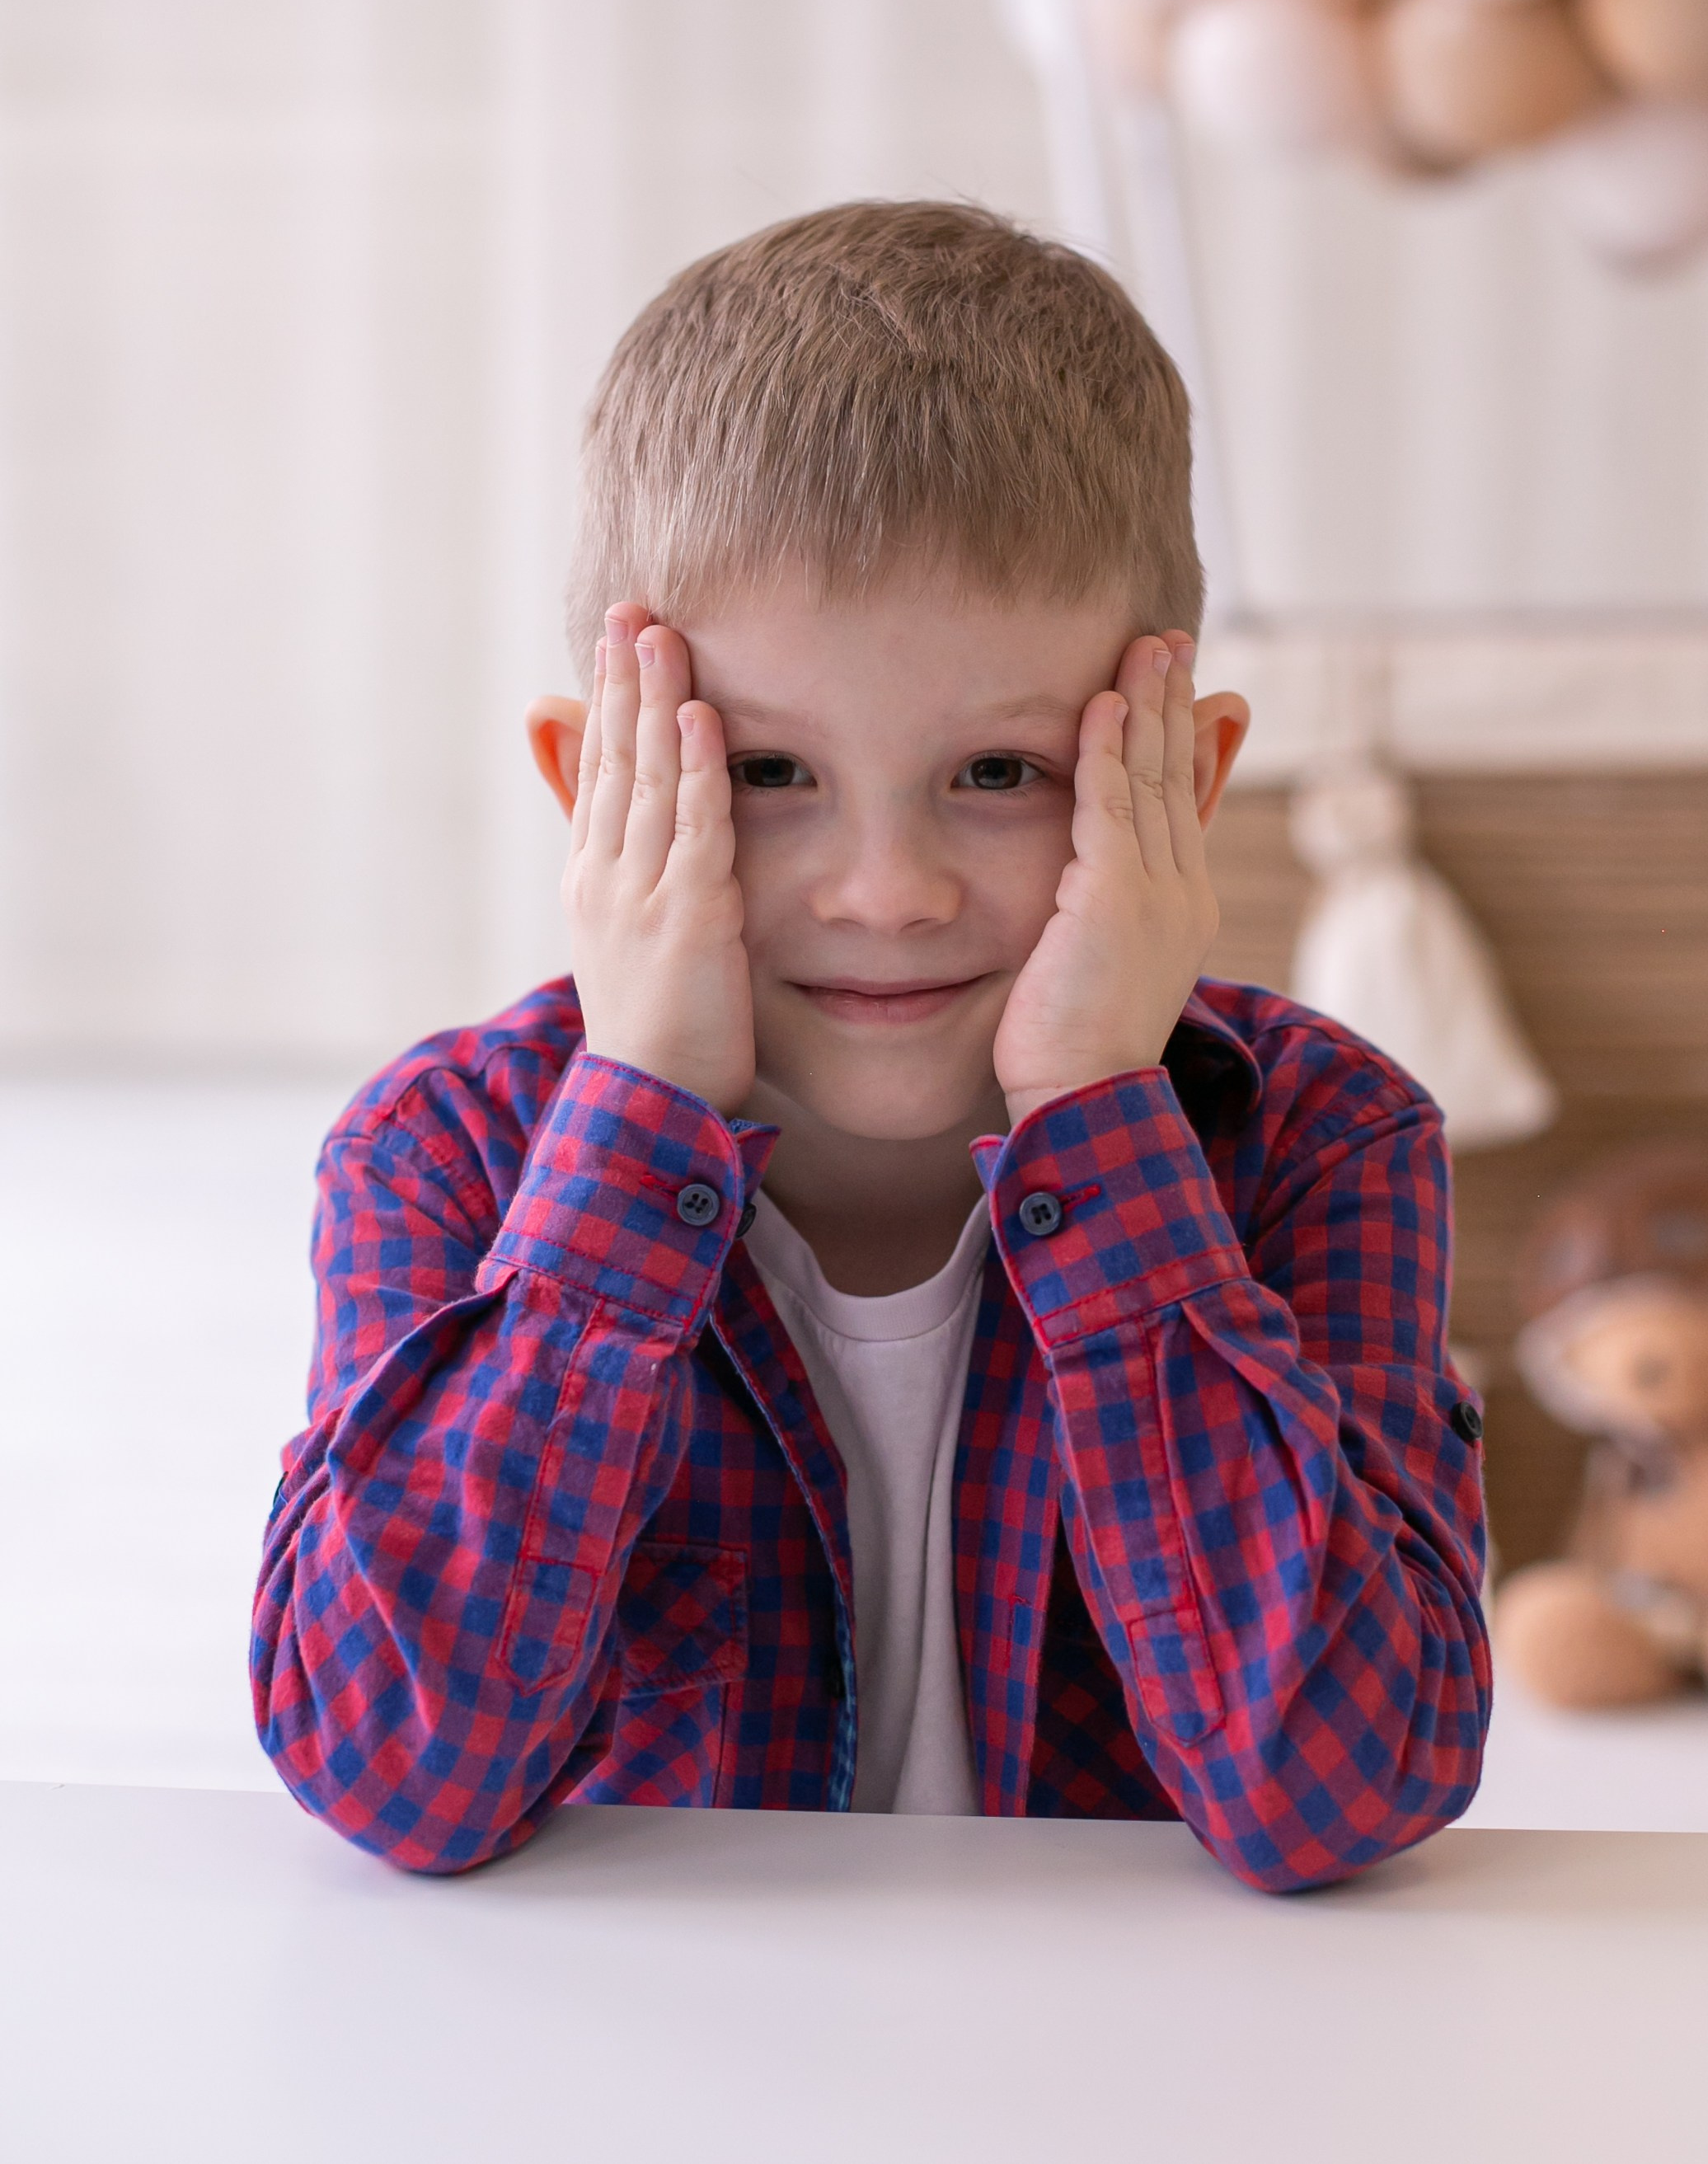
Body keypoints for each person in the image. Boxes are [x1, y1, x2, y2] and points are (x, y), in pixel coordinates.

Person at [251, 200, 1489, 1889]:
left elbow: (1336, 1791)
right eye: (768, 775)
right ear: (593, 783)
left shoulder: (1317, 1140)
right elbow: (395, 1770)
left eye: (997, 773)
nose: (888, 893)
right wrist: (636, 1127)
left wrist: (1102, 1120)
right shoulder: (447, 1154)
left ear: (1180, 787)